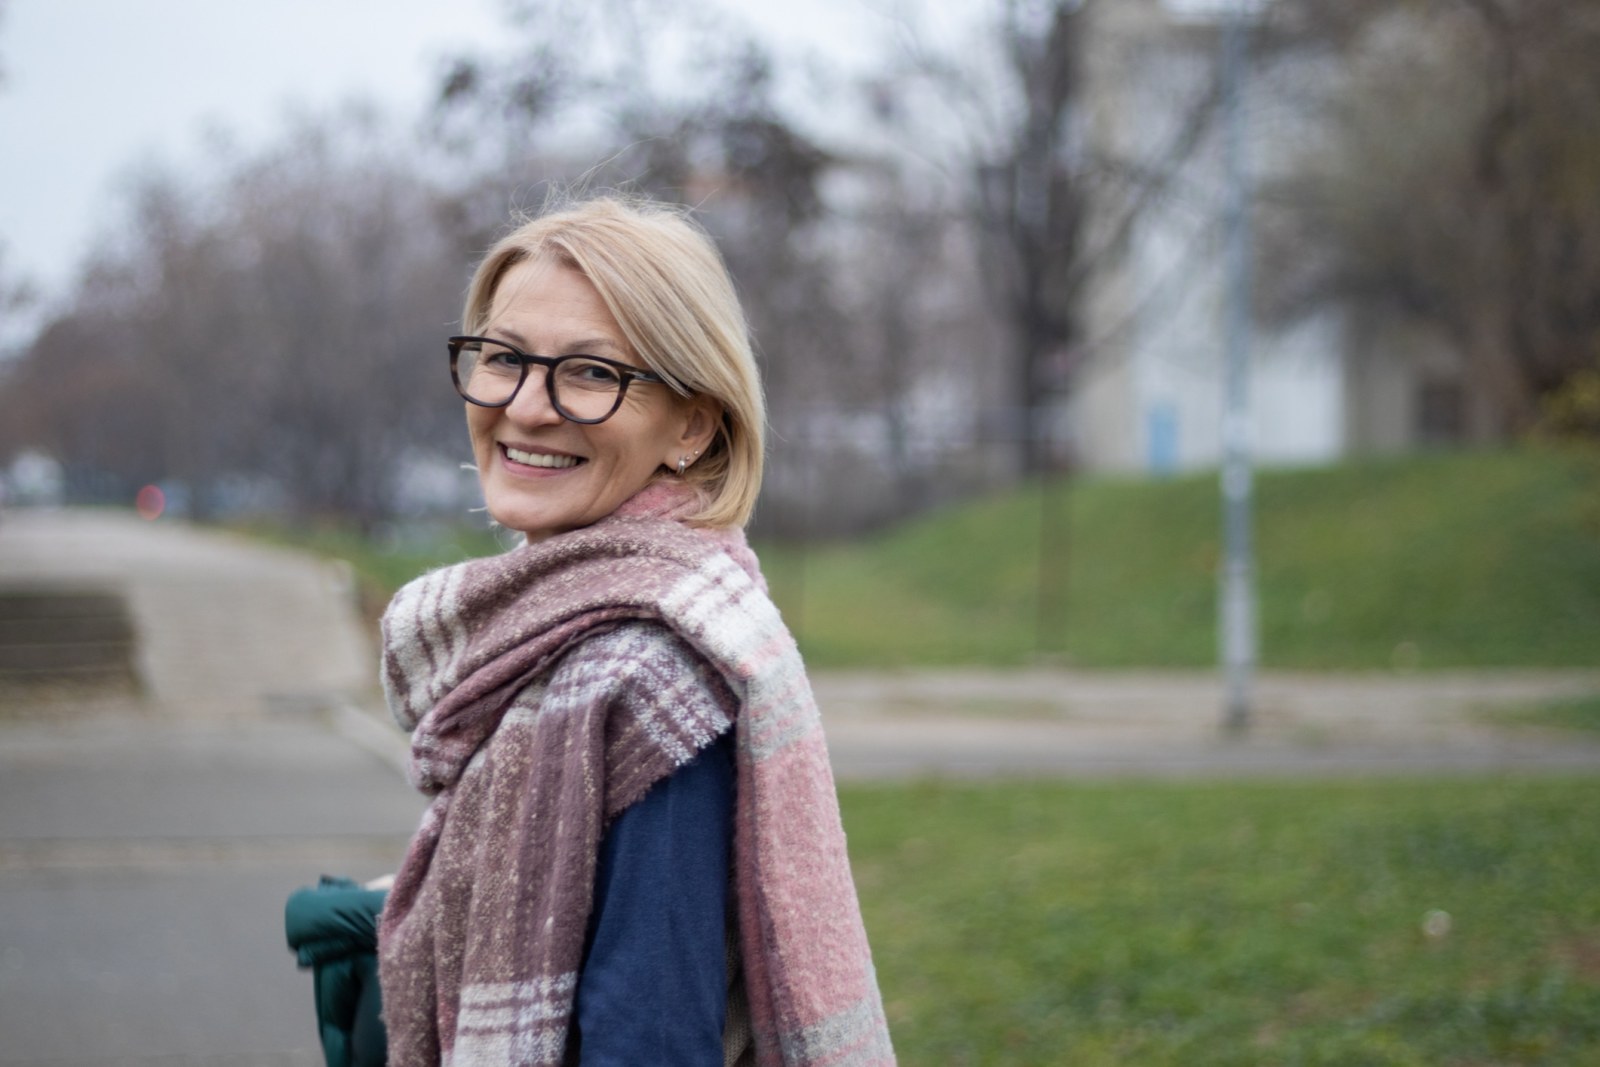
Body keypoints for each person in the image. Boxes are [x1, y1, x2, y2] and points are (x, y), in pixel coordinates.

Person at [376, 195, 895, 1067]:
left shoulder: (655, 677)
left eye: (588, 373)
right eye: (503, 357)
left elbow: (648, 1039)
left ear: (692, 423)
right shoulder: (543, 634)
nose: (526, 408)